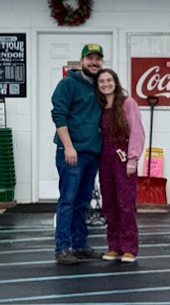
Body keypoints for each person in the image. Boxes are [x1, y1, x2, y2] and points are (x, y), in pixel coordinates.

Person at [51, 43, 105, 265]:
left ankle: (80, 245)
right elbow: (58, 115)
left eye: (98, 59)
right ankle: (62, 248)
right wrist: (69, 147)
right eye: (89, 58)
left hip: (92, 153)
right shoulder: (68, 84)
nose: (94, 62)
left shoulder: (101, 86)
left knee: (83, 202)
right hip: (72, 153)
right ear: (81, 61)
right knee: (68, 201)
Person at [95, 68, 145, 263]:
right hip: (104, 159)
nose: (106, 84)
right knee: (109, 204)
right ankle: (114, 246)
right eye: (101, 81)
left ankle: (129, 247)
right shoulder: (98, 107)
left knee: (125, 204)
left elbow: (137, 131)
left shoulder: (127, 103)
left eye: (109, 80)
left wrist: (133, 159)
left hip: (123, 158)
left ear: (115, 82)